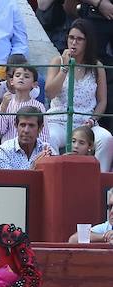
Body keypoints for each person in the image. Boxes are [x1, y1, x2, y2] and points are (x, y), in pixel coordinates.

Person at [45, 19, 111, 172]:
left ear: (88, 42)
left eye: (79, 39)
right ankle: (55, 178)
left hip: (86, 122)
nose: (74, 42)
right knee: (50, 137)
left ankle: (100, 183)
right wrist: (65, 68)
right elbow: (49, 93)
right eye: (71, 38)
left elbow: (102, 101)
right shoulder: (57, 61)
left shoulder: (96, 66)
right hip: (59, 120)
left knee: (106, 138)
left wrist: (93, 119)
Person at [0, 63, 49, 145]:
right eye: (17, 75)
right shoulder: (6, 102)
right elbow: (0, 130)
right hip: (8, 148)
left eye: (26, 76)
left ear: (34, 84)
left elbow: (43, 133)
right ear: (11, 81)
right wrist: (3, 108)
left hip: (30, 148)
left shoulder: (38, 106)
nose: (21, 78)